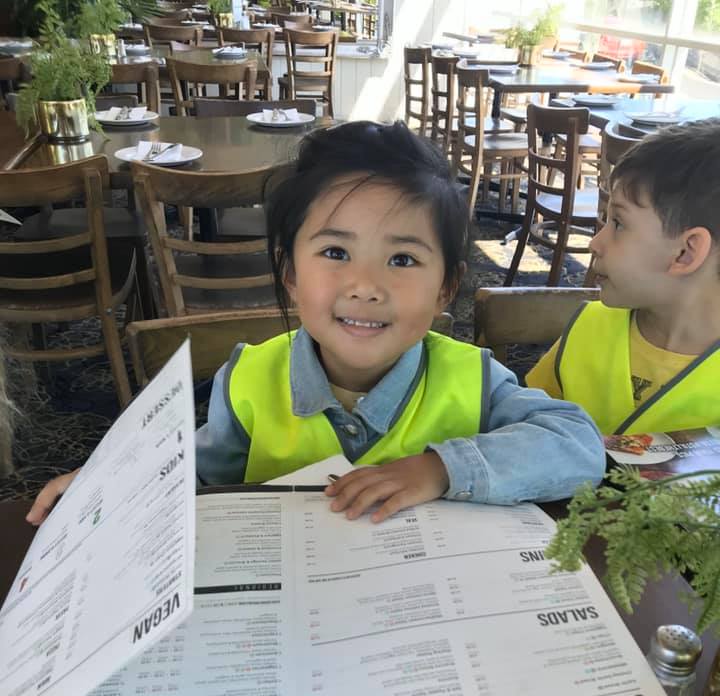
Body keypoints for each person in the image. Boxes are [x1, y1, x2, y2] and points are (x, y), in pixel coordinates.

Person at [27, 121, 604, 527]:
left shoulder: (471, 378)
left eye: (402, 260)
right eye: (334, 253)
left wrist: (440, 468)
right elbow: (201, 479)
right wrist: (109, 485)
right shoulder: (249, 381)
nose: (365, 285)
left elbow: (579, 446)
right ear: (291, 275)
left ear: (445, 289)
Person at [526, 118, 720, 436]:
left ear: (685, 252)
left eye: (618, 223)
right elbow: (528, 428)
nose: (595, 242)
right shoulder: (588, 328)